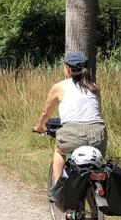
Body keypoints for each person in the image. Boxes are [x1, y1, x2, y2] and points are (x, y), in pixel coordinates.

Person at [32, 51, 107, 185]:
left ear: (67, 68)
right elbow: (96, 112)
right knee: (94, 166)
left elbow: (46, 113)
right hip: (98, 134)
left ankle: (58, 187)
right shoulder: (94, 87)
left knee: (60, 151)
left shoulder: (59, 87)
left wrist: (39, 127)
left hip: (72, 133)